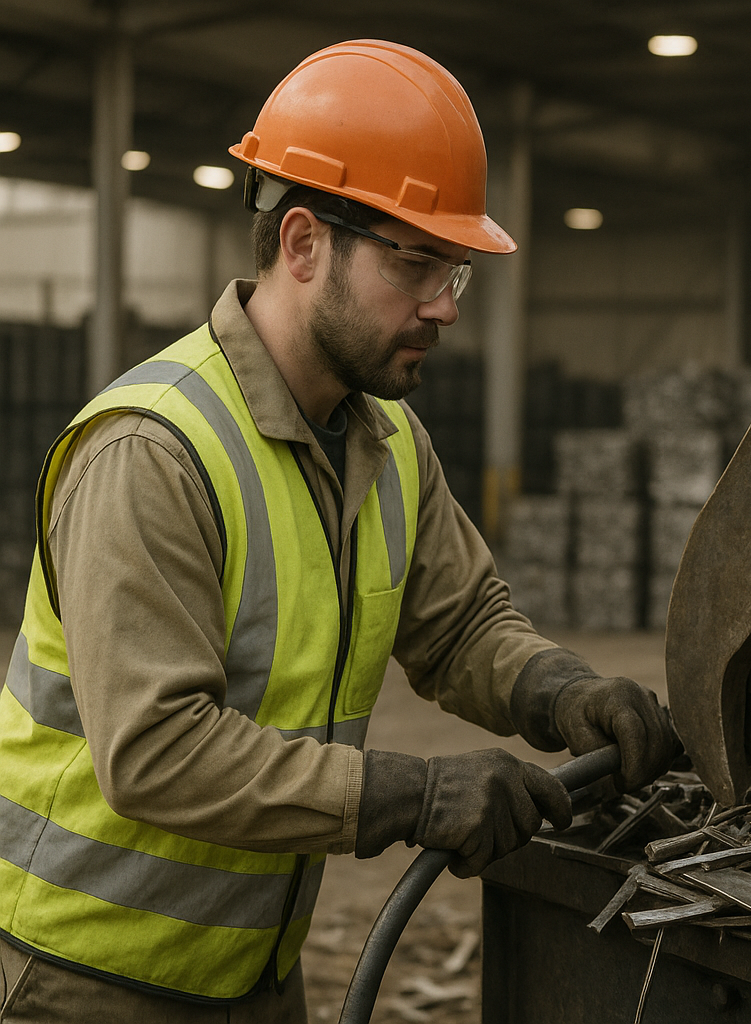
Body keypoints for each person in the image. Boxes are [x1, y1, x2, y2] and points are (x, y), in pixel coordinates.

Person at [0, 39, 677, 1022]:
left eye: (458, 272)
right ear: (306, 243)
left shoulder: (388, 436)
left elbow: (459, 625)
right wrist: (410, 793)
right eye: (417, 264)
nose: (446, 305)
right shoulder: (153, 448)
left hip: (255, 973)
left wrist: (562, 691)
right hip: (82, 979)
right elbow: (156, 750)